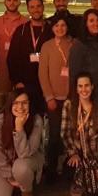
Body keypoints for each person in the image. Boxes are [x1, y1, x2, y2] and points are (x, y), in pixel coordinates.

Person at [0, 91, 44, 196]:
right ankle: (10, 190)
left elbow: (25, 153)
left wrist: (19, 128)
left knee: (21, 167)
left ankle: (26, 192)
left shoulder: (36, 120)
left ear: (29, 104)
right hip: (2, 168)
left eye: (24, 103)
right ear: (10, 104)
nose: (20, 107)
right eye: (16, 103)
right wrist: (9, 176)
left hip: (27, 162)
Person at [61, 72, 98, 196]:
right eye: (80, 86)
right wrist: (72, 153)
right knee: (70, 168)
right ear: (76, 89)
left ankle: (92, 183)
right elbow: (65, 133)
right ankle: (80, 183)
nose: (84, 89)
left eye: (87, 85)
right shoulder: (69, 105)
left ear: (92, 87)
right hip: (77, 154)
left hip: (95, 155)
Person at [38, 15, 74, 180]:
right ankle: (51, 170)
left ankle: (69, 170)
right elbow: (42, 74)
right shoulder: (46, 46)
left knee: (70, 135)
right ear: (52, 28)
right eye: (57, 26)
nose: (60, 28)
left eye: (63, 25)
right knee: (54, 135)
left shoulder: (73, 44)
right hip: (53, 99)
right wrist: (49, 97)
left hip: (71, 98)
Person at [7, 0, 53, 116]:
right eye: (32, 7)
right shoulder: (21, 30)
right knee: (27, 117)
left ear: (43, 7)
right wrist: (17, 81)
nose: (36, 10)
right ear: (28, 9)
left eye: (38, 6)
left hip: (47, 86)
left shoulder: (51, 30)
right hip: (25, 85)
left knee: (45, 119)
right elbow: (11, 58)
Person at [69, 8, 98, 105]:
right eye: (91, 21)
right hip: (88, 95)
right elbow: (74, 73)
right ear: (85, 24)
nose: (95, 23)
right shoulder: (79, 44)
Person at [0, 0, 27, 93]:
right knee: (1, 99)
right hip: (2, 71)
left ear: (20, 2)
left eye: (15, 0)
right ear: (4, 2)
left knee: (21, 98)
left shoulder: (26, 22)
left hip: (22, 70)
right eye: (9, 0)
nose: (12, 3)